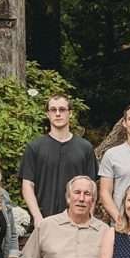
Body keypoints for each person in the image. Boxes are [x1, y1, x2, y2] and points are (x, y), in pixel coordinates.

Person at [19, 94, 98, 227]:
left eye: (62, 110)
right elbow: (27, 185)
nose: (57, 114)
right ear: (47, 114)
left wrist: (88, 218)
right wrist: (37, 217)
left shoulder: (85, 148)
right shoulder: (35, 147)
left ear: (70, 113)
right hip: (44, 221)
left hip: (77, 222)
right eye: (53, 110)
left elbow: (92, 188)